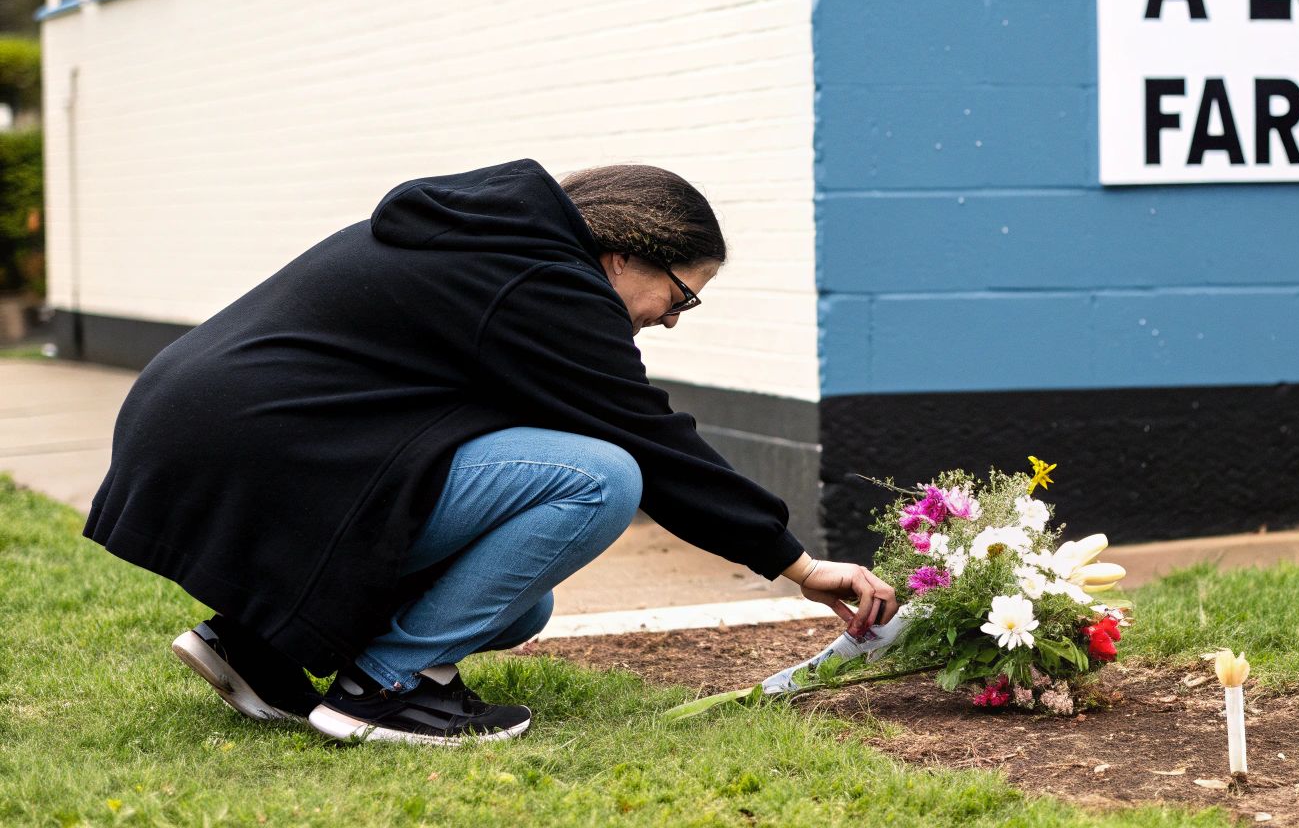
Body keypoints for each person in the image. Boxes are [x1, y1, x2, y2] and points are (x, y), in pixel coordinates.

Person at [83, 158, 897, 745]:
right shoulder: (544, 283)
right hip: (251, 450)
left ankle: (259, 645)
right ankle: (386, 690)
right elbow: (650, 439)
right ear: (623, 257)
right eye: (680, 295)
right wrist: (797, 564)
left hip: (214, 438)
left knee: (517, 607)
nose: (674, 318)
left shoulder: (493, 243)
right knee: (602, 477)